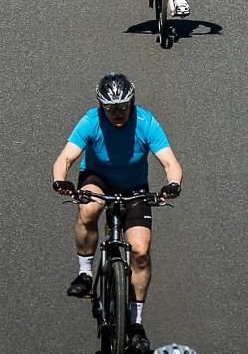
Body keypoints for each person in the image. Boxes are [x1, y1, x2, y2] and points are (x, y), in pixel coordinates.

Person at [53, 72, 183, 354]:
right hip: (97, 178)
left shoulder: (146, 122)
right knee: (89, 209)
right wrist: (61, 180)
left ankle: (135, 324)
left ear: (132, 102)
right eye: (111, 108)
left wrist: (173, 184)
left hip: (135, 187)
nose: (118, 113)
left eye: (123, 106)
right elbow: (65, 158)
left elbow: (171, 163)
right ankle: (85, 273)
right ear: (102, 107)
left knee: (140, 250)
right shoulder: (90, 121)